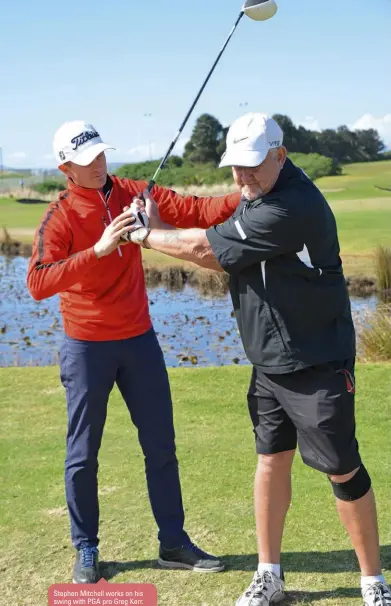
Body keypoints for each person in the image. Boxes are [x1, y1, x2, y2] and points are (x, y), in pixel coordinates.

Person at [128, 113, 391, 606]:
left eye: (252, 166)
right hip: (269, 360)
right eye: (235, 167)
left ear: (280, 155)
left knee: (343, 470)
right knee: (270, 461)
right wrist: (161, 225)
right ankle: (269, 575)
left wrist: (143, 236)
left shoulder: (292, 207)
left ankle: (373, 582)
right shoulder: (259, 198)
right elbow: (216, 246)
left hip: (316, 361)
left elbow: (205, 248)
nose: (242, 177)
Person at [26, 120, 242, 584]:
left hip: (139, 340)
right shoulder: (60, 215)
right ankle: (86, 547)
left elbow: (195, 208)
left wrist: (245, 193)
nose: (100, 164)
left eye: (102, 154)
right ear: (66, 167)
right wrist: (101, 249)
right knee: (83, 453)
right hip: (85, 345)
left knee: (160, 444)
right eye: (88, 161)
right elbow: (39, 282)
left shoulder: (132, 192)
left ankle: (174, 543)